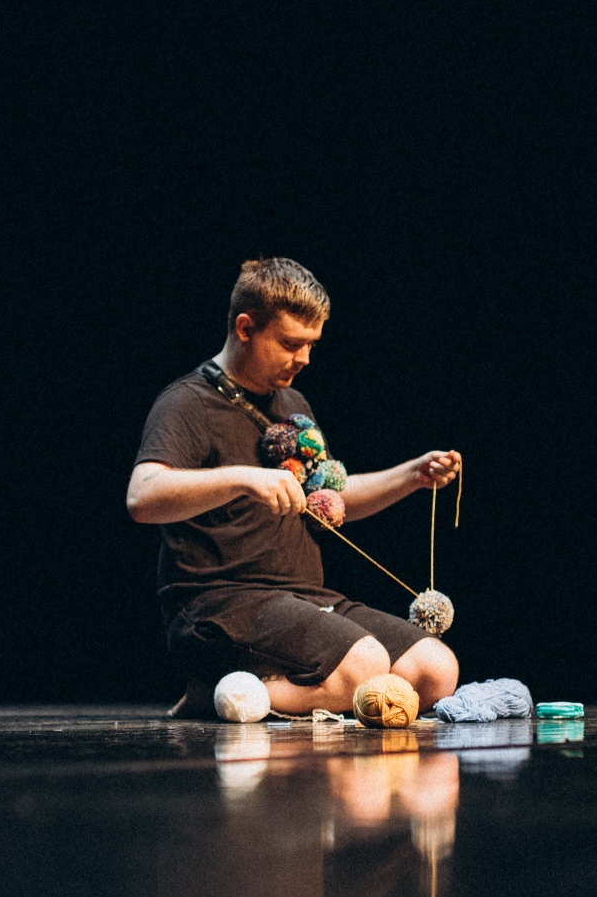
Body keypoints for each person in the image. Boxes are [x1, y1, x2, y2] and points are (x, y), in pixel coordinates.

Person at [128, 256, 461, 717]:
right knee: (364, 665)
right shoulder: (187, 402)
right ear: (245, 328)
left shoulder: (293, 403)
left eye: (310, 345)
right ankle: (221, 694)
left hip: (303, 599)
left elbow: (327, 503)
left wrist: (412, 476)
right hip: (221, 602)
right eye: (290, 343)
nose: (303, 358)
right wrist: (244, 477)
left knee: (434, 670)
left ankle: (238, 694)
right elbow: (143, 496)